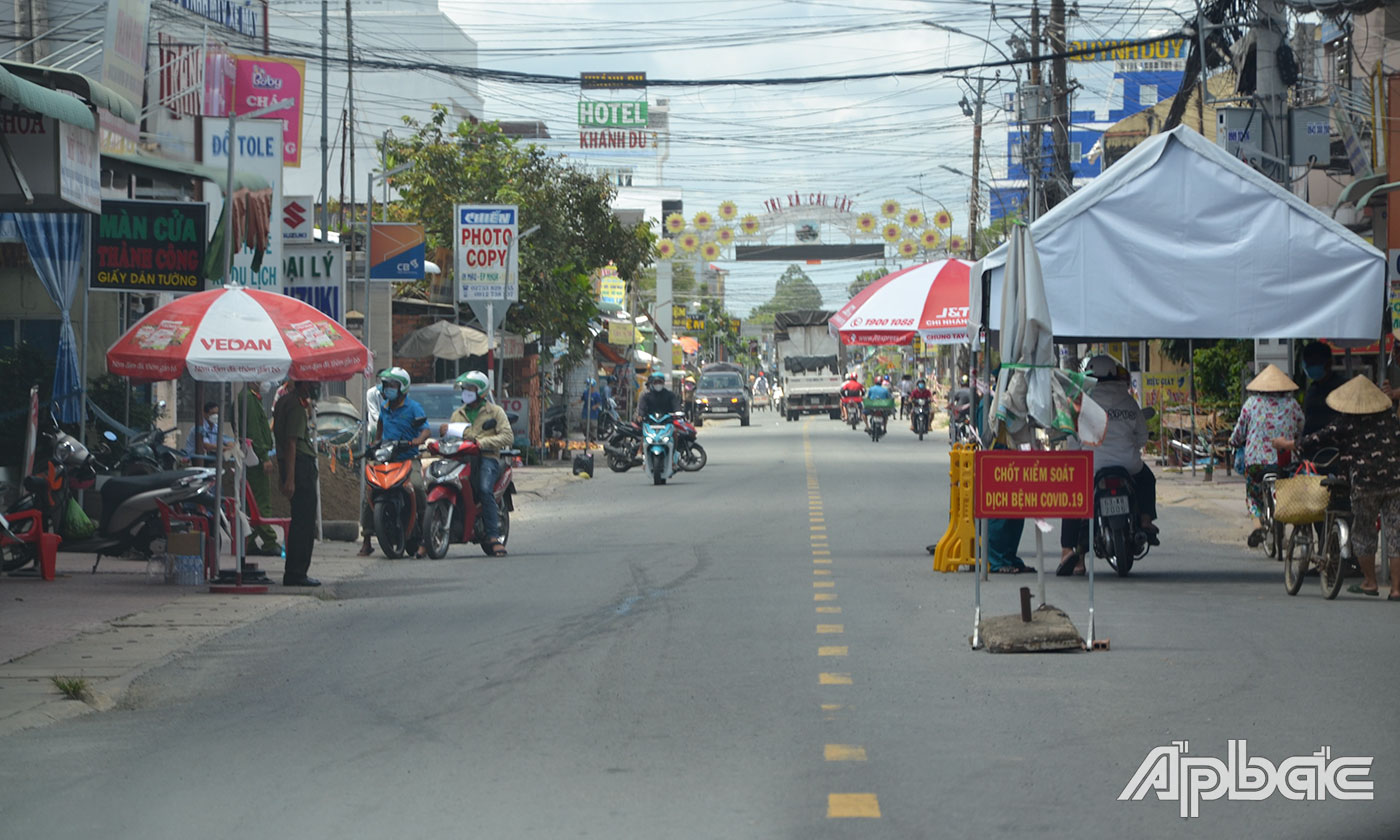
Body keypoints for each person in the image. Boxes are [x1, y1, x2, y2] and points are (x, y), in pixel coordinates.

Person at [1294, 376, 1400, 599]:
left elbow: (1317, 438)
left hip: (1364, 483)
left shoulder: (1347, 421)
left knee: (1363, 533)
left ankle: (1370, 582)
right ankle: (1397, 589)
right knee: (1396, 535)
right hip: (1395, 481)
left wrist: (1290, 445)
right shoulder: (1390, 417)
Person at [1058, 355, 1159, 576]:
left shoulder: (1081, 401)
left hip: (1092, 467)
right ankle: (1145, 519)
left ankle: (1071, 554)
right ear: (1114, 374)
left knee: (1074, 499)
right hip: (1128, 465)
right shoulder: (1128, 400)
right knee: (1148, 479)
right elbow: (1142, 437)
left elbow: (1073, 443)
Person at [438, 371, 515, 557]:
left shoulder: (495, 412)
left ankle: (494, 537)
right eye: (464, 389)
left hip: (487, 458)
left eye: (470, 389)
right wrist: (445, 432)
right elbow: (453, 437)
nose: (466, 392)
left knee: (484, 489)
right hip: (462, 458)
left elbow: (507, 436)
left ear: (480, 390)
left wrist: (483, 443)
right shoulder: (458, 414)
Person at [357, 367, 430, 558]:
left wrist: (418, 440)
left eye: (392, 385)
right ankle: (366, 540)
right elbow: (380, 426)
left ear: (402, 387)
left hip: (408, 459)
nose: (388, 388)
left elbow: (425, 430)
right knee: (371, 492)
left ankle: (425, 529)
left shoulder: (413, 407)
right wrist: (375, 443)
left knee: (417, 487)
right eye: (386, 385)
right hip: (387, 460)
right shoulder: (385, 407)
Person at [1229, 364, 1304, 546]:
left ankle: (1257, 525)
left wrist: (1232, 442)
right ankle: (1283, 533)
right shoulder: (1292, 405)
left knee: (1253, 494)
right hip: (1285, 462)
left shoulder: (1251, 404)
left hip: (1257, 463)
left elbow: (1239, 433)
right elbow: (1302, 428)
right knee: (1285, 494)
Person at [273, 380, 321, 587]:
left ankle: (295, 571)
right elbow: (291, 443)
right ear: (304, 384)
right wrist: (290, 478)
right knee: (304, 523)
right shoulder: (294, 406)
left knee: (300, 521)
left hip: (293, 465)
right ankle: (296, 572)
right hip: (300, 467)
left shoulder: (285, 401)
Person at [235, 382, 282, 557]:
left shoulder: (250, 399)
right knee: (260, 502)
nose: (266, 382)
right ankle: (269, 541)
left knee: (250, 503)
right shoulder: (247, 399)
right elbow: (253, 432)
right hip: (255, 458)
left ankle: (250, 539)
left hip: (251, 457)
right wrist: (264, 457)